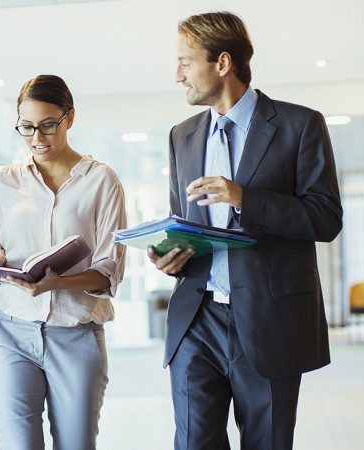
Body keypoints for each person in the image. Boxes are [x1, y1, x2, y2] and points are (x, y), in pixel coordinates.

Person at [149, 12, 343, 450]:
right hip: (196, 319)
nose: (176, 75)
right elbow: (183, 219)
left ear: (222, 63)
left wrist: (245, 198)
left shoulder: (299, 125)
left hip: (269, 320)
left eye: (185, 61)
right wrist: (170, 256)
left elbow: (326, 218)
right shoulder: (181, 136)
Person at [0, 74, 127, 450]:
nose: (37, 137)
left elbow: (108, 274)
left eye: (48, 125)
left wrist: (57, 283)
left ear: (69, 118)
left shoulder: (102, 182)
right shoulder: (4, 181)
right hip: (11, 332)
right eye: (26, 127)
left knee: (76, 445)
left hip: (76, 335)